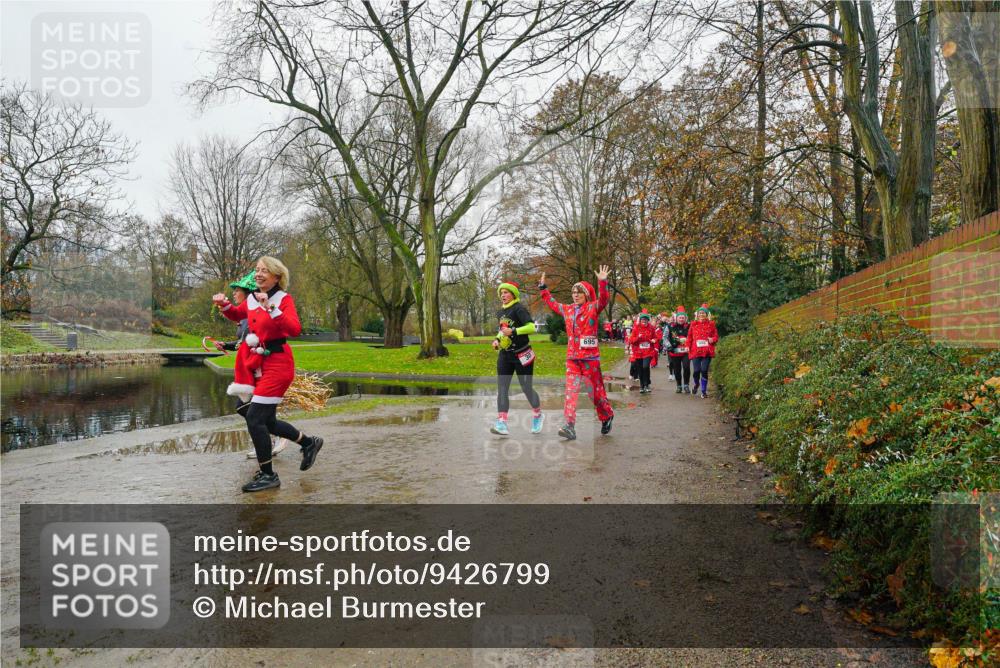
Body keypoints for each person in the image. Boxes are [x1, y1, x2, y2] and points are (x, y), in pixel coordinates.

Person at [212, 256, 323, 492]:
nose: (259, 274)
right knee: (262, 418)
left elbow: (294, 329)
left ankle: (268, 474)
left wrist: (270, 307)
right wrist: (224, 304)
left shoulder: (283, 299)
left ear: (276, 276)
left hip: (278, 364)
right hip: (259, 365)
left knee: (255, 418)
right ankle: (309, 442)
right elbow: (237, 313)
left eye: (264, 271)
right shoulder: (252, 298)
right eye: (257, 270)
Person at [217, 270, 289, 458]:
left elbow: (257, 342)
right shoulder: (245, 313)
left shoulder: (254, 313)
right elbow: (244, 342)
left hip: (261, 369)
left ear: (248, 293)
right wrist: (226, 345)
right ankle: (272, 442)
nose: (234, 293)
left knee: (251, 412)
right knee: (252, 412)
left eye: (237, 290)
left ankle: (276, 441)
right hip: (252, 368)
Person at [539, 266, 615, 440]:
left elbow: (604, 299)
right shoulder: (567, 310)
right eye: (573, 292)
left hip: (590, 359)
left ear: (586, 294)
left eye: (579, 292)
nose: (575, 295)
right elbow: (552, 303)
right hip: (573, 358)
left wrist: (602, 282)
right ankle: (569, 425)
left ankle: (606, 414)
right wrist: (543, 289)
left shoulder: (593, 307)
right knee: (571, 392)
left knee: (594, 394)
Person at [491, 280, 544, 436]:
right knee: (502, 388)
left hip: (523, 353)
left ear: (513, 293)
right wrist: (497, 340)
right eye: (501, 293)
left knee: (526, 387)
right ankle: (501, 423)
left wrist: (513, 331)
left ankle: (538, 414)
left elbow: (531, 327)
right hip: (505, 355)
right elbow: (502, 331)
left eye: (506, 292)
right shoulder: (500, 312)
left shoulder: (519, 308)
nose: (503, 295)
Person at [688, 303, 719, 399]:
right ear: (697, 315)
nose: (702, 315)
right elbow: (689, 337)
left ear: (706, 315)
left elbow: (716, 337)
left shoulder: (711, 325)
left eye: (703, 313)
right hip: (695, 351)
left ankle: (703, 391)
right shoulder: (693, 325)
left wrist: (712, 339)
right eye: (700, 313)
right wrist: (687, 347)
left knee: (704, 370)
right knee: (696, 370)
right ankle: (696, 384)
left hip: (707, 351)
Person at [627, 310, 660, 394]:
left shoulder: (651, 328)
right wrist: (638, 337)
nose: (644, 321)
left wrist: (654, 340)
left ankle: (647, 384)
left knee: (645, 367)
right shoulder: (636, 328)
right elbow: (631, 340)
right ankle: (642, 385)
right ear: (640, 320)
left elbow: (656, 338)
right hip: (638, 352)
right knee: (640, 369)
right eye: (642, 320)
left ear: (648, 320)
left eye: (645, 319)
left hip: (648, 351)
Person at [667, 306, 692, 393]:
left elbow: (693, 336)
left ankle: (686, 385)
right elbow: (665, 337)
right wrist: (669, 346)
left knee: (686, 367)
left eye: (683, 318)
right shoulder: (670, 326)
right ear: (676, 318)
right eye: (680, 317)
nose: (681, 319)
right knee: (677, 369)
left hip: (686, 351)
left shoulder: (689, 326)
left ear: (685, 318)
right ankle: (679, 385)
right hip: (675, 352)